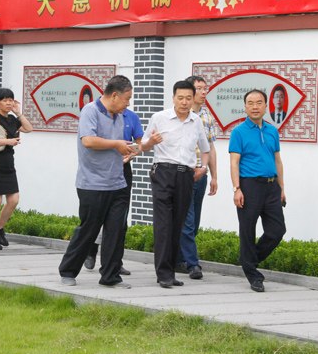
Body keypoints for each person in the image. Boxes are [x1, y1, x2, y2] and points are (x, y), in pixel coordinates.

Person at [58, 75, 136, 288]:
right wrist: (117, 144)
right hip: (92, 183)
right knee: (89, 229)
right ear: (114, 95)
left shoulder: (119, 117)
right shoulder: (90, 111)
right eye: (127, 98)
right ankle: (68, 271)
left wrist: (129, 149)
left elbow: (117, 145)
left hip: (118, 182)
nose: (128, 103)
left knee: (115, 231)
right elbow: (89, 140)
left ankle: (110, 276)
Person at [142, 80, 210, 289]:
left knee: (178, 224)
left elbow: (205, 147)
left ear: (193, 99)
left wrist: (203, 167)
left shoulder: (196, 121)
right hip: (163, 173)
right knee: (164, 224)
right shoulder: (159, 118)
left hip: (186, 176)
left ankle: (170, 272)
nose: (184, 102)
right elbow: (143, 146)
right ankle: (163, 274)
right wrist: (151, 142)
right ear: (173, 98)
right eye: (180, 98)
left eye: (188, 98)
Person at [229, 89, 286, 293]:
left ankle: (248, 259)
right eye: (251, 103)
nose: (255, 107)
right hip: (249, 186)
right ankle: (254, 275)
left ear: (265, 106)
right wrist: (237, 188)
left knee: (277, 230)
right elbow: (234, 163)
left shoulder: (272, 131)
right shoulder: (238, 132)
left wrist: (281, 187)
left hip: (271, 187)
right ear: (245, 106)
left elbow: (277, 160)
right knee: (247, 230)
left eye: (259, 102)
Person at [84, 107, 143, 275]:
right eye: (126, 97)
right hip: (101, 169)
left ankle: (115, 263)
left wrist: (132, 154)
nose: (127, 102)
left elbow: (139, 145)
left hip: (123, 169)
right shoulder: (98, 114)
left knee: (119, 219)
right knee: (98, 215)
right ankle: (91, 251)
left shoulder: (132, 117)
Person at [175, 75, 218, 280]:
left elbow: (210, 148)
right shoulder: (180, 116)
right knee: (188, 221)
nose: (203, 92)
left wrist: (213, 175)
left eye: (204, 88)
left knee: (194, 222)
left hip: (201, 175)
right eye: (199, 88)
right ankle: (193, 264)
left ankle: (178, 259)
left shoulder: (207, 117)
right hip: (184, 175)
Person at [0, 87, 33, 250]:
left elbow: (28, 128)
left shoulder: (11, 119)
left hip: (8, 164)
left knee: (13, 200)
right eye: (5, 100)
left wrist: (18, 113)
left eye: (11, 100)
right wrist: (7, 142)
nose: (9, 103)